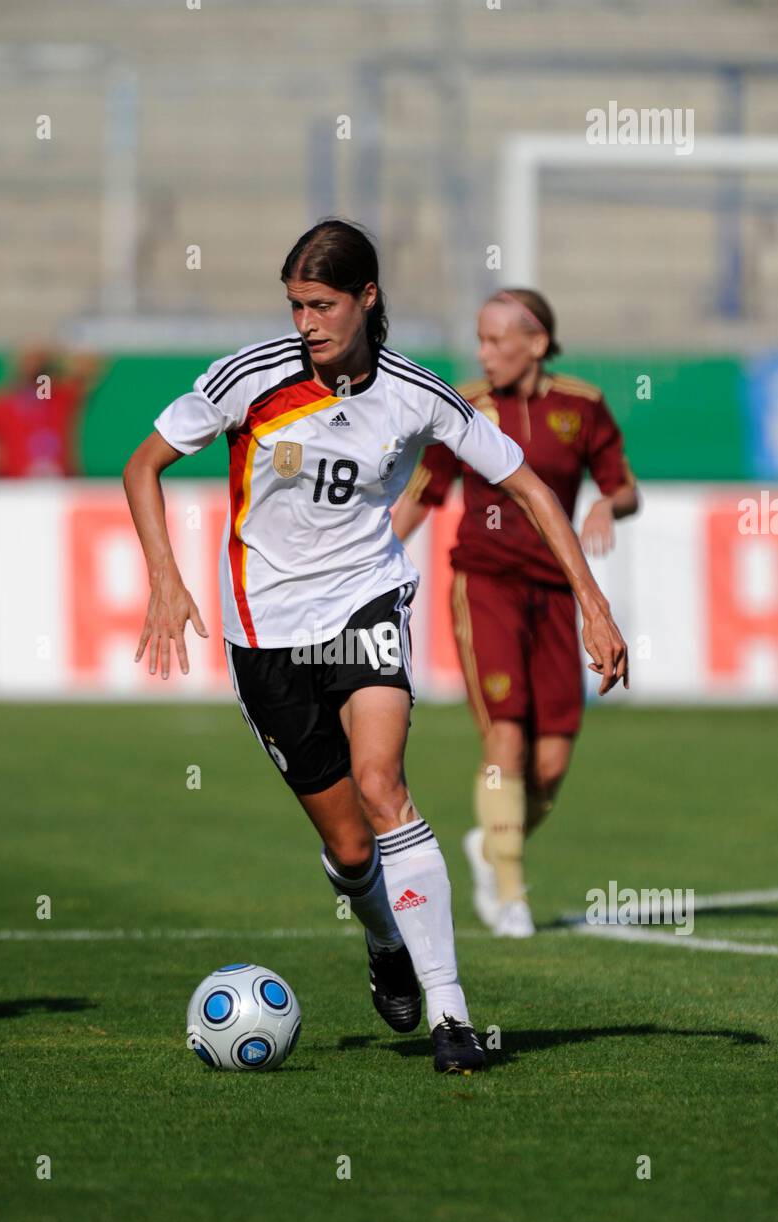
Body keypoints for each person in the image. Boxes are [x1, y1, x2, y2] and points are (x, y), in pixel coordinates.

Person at [122, 222, 628, 1075]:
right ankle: (382, 936)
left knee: (384, 785)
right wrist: (165, 580)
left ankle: (452, 1017)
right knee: (352, 849)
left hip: (364, 602)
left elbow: (530, 488)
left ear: (367, 298)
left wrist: (594, 603)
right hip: (265, 631)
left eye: (322, 305)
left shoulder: (417, 395)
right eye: (294, 305)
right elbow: (143, 466)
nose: (306, 322)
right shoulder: (251, 376)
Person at [393, 289, 639, 937]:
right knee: (505, 735)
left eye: (495, 340)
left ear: (534, 342)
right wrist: (361, 560)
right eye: (479, 340)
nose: (482, 353)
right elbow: (422, 496)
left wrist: (602, 506)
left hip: (559, 593)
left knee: (551, 763)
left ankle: (490, 840)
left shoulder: (581, 407)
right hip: (486, 585)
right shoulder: (463, 406)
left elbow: (623, 486)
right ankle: (509, 892)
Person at [0, 346, 100, 479]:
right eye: (29, 361)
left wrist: (56, 359)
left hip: (60, 488)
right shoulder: (1, 404)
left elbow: (89, 369)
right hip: (15, 490)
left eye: (39, 363)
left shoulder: (61, 398)